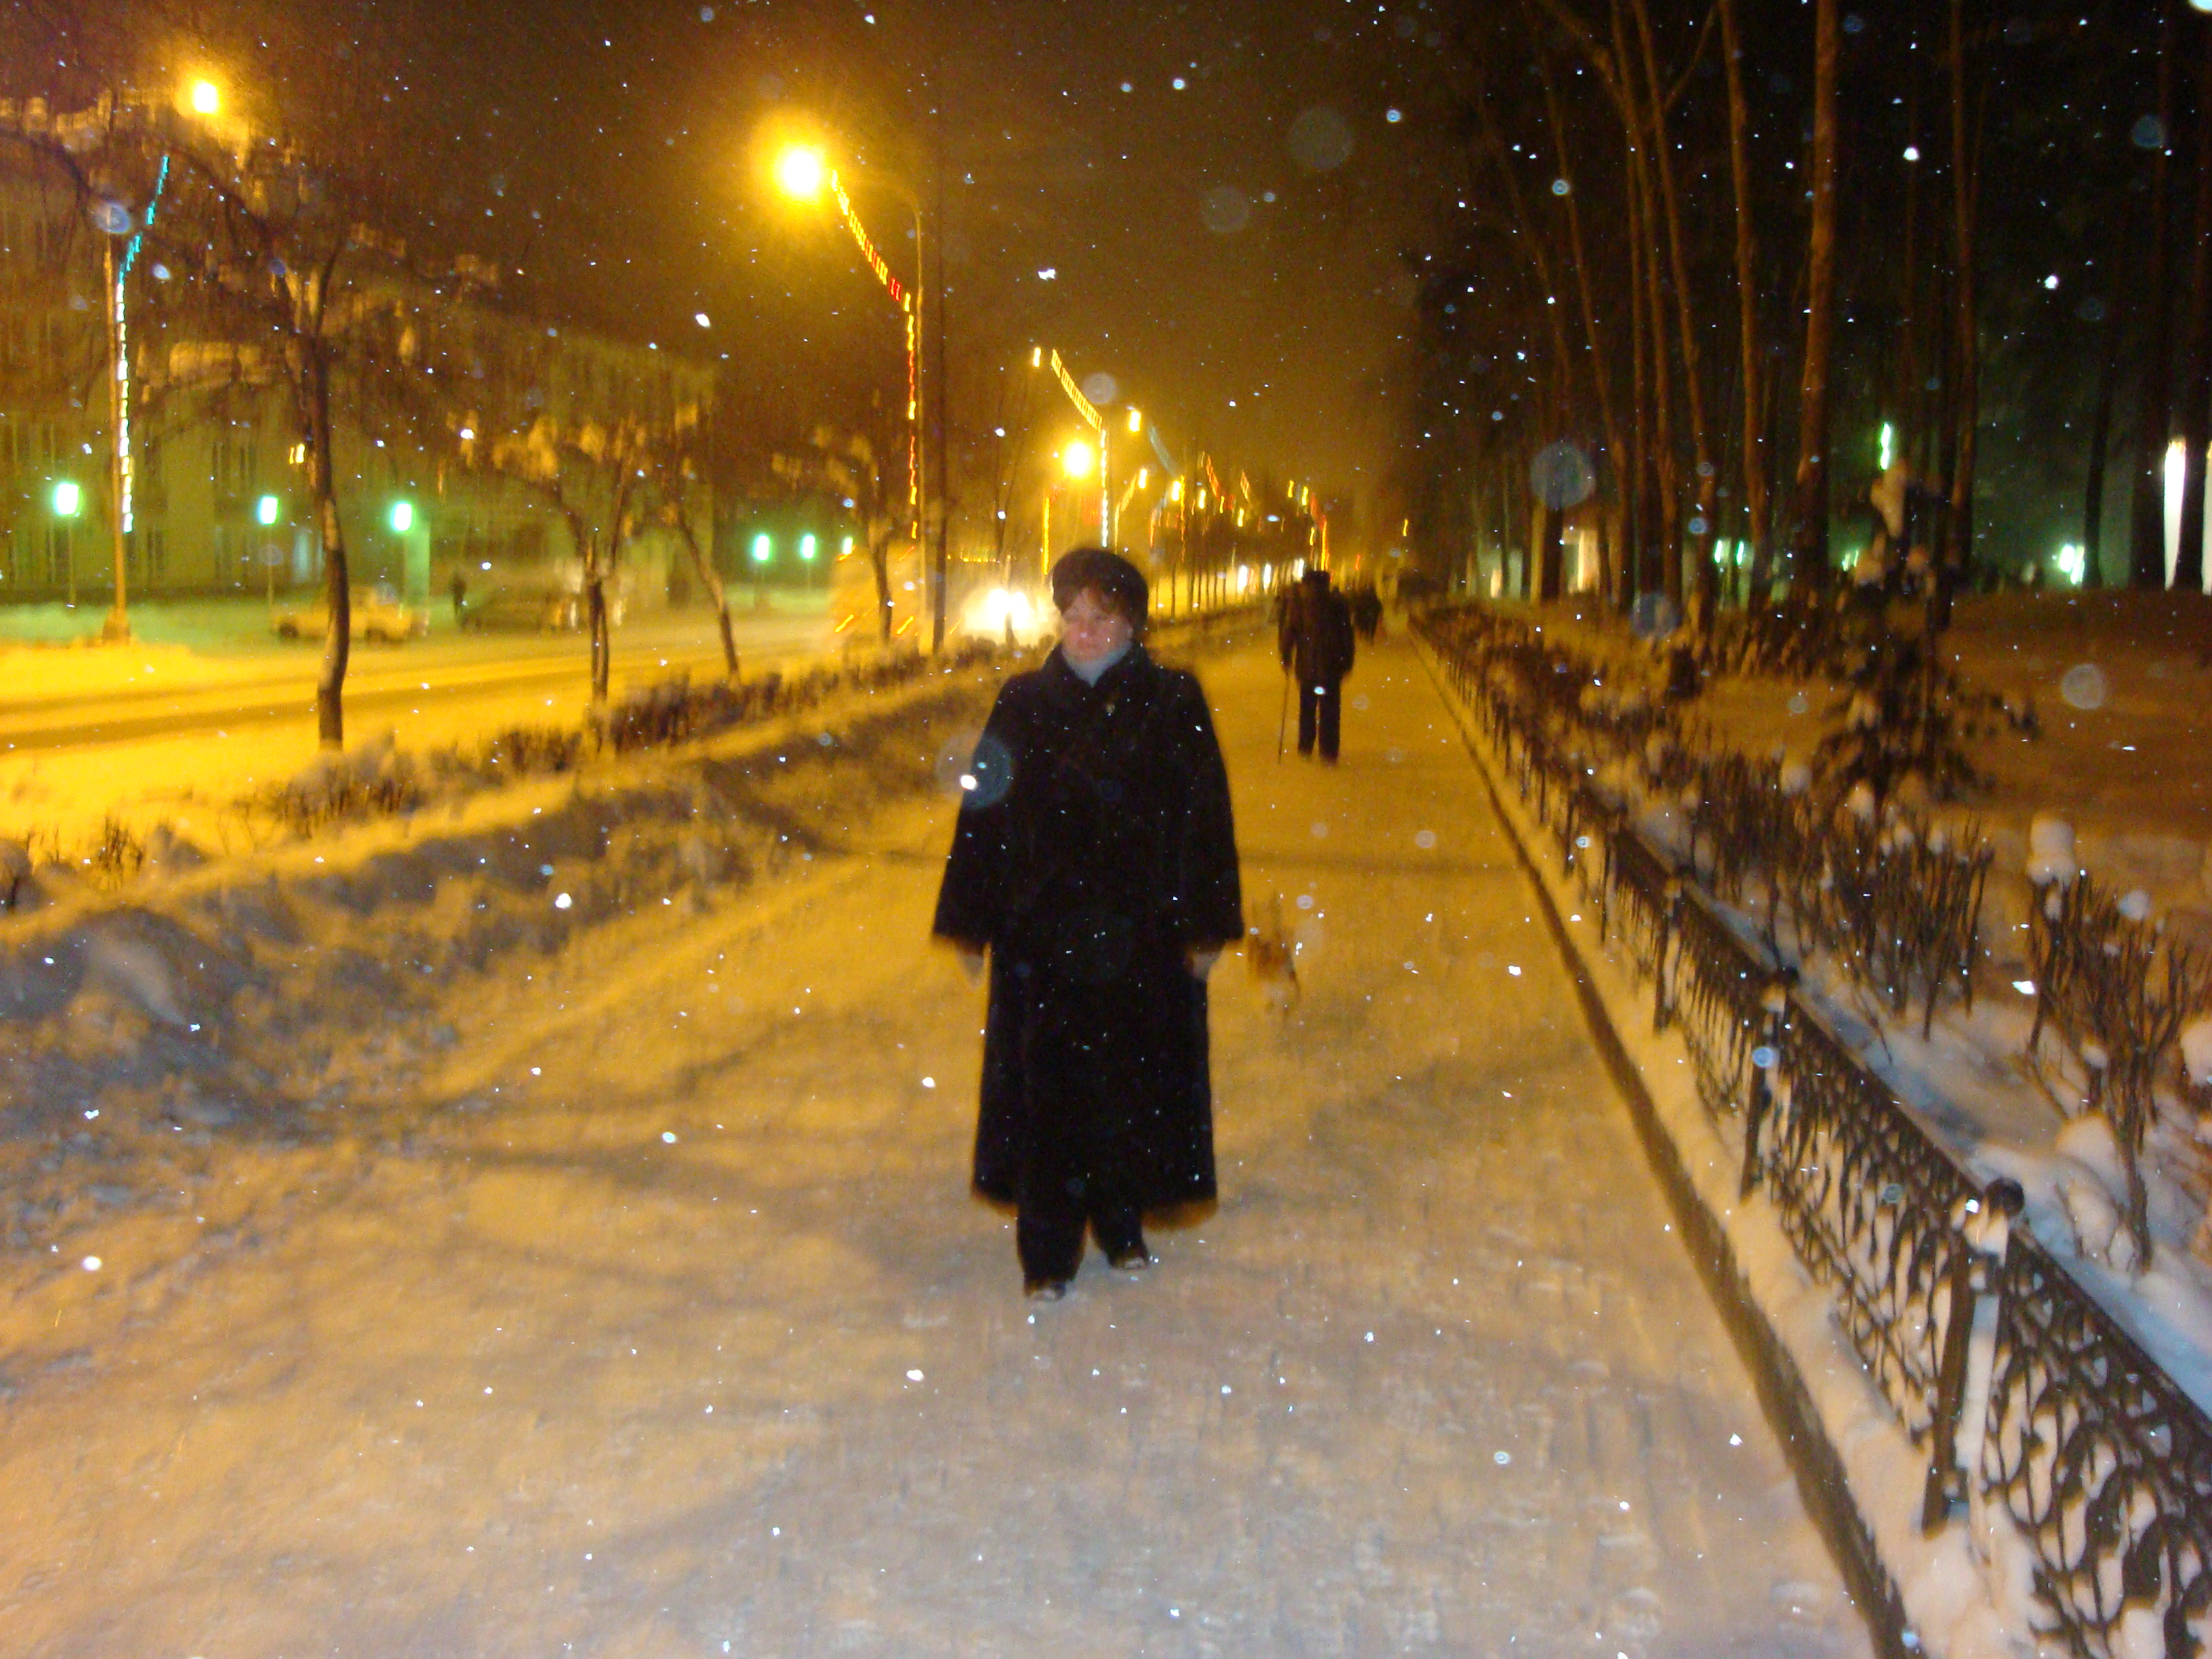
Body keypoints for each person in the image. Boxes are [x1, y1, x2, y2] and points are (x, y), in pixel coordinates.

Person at [934, 548, 1244, 1300]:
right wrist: (971, 922)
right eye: (1072, 616)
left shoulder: (1173, 700)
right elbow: (986, 814)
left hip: (1144, 935)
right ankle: (1047, 1251)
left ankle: (1120, 1220)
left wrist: (1206, 926)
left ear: (1132, 623)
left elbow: (1204, 817)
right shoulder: (1024, 701)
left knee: (1133, 1084)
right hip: (1045, 938)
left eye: (1101, 617)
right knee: (1050, 1091)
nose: (1084, 630)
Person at [1278, 567, 1357, 762]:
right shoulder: (1338, 604)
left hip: (1307, 666)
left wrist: (1286, 657)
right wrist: (1347, 661)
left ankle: (1306, 746)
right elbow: (1347, 637)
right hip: (1332, 667)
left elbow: (1290, 633)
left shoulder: (1300, 605)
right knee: (1330, 710)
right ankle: (1328, 751)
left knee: (1307, 708)